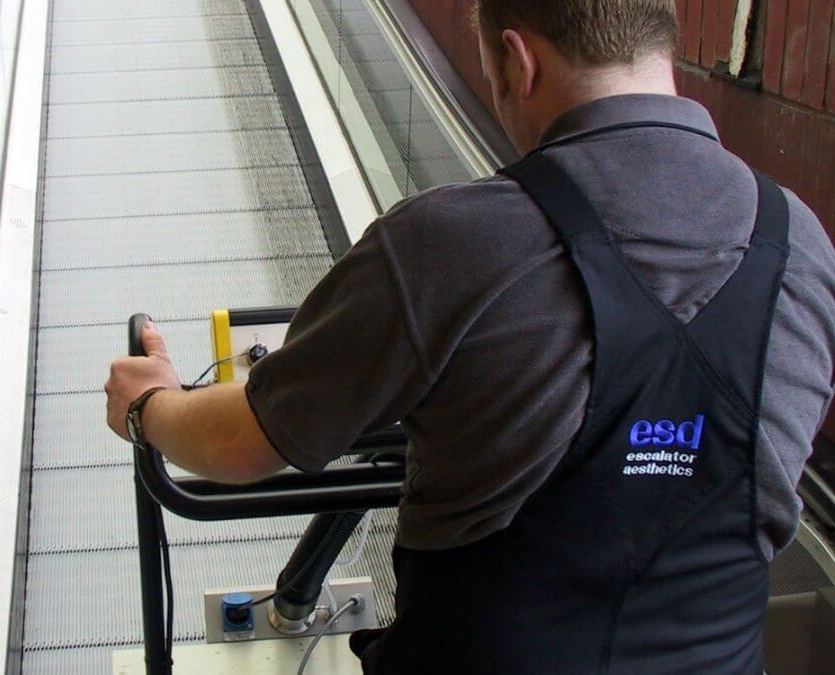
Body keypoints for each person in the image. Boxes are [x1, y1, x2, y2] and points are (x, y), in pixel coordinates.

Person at [105, 0, 835, 671]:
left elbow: (243, 443)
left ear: (519, 61)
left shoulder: (447, 242)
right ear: (660, 46)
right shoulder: (802, 245)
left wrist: (152, 406)